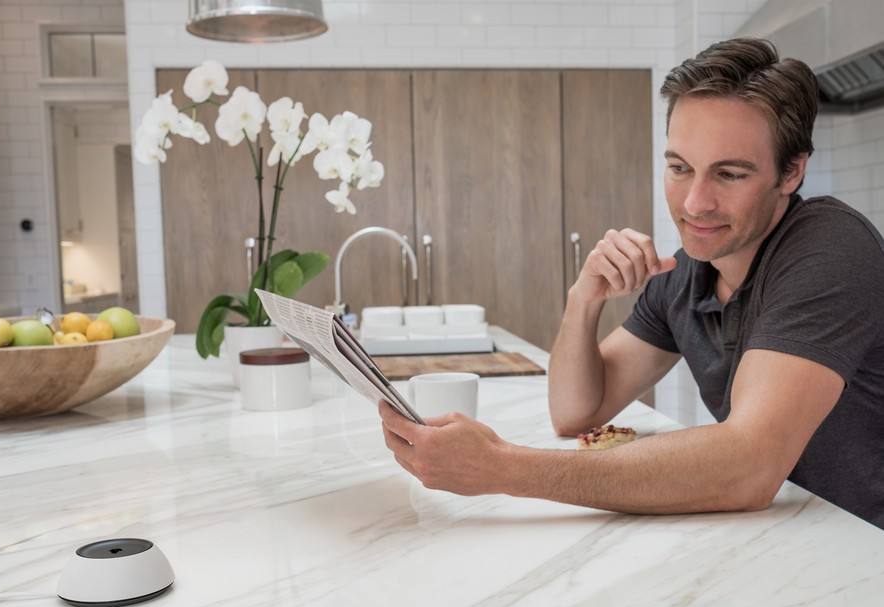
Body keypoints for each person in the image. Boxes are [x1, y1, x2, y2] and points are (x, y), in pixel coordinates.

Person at [378, 37, 884, 529]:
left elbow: (748, 466)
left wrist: (500, 467)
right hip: (793, 539)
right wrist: (584, 298)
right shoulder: (687, 273)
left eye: (729, 174)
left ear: (792, 172)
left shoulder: (829, 248)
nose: (694, 204)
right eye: (680, 168)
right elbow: (575, 413)